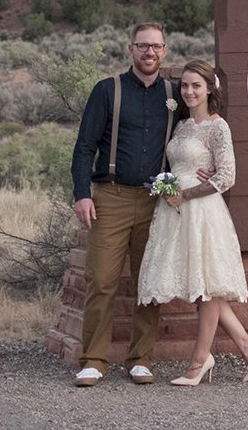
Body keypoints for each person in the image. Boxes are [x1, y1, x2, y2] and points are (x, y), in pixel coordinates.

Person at [135, 59, 248, 384]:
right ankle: (245, 342)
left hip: (202, 211)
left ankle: (199, 361)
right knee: (201, 286)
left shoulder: (217, 126)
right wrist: (168, 186)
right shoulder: (181, 126)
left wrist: (187, 194)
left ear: (209, 89)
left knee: (208, 286)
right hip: (174, 212)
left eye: (196, 85)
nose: (189, 91)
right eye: (184, 85)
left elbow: (228, 176)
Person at [69, 21, 176, 388]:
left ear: (165, 51)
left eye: (157, 47)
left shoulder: (174, 95)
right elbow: (85, 146)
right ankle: (94, 360)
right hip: (110, 198)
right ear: (130, 49)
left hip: (155, 200)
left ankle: (140, 359)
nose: (150, 53)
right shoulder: (106, 91)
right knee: (101, 279)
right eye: (143, 46)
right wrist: (82, 192)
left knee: (148, 281)